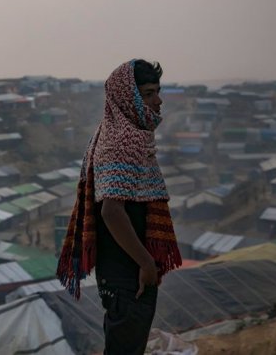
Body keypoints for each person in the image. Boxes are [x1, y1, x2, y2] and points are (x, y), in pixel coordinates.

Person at [57, 59, 182, 355]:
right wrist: (146, 263)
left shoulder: (119, 133)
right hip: (128, 273)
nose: (158, 101)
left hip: (123, 272)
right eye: (149, 93)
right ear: (129, 98)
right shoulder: (122, 141)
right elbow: (111, 211)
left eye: (158, 91)